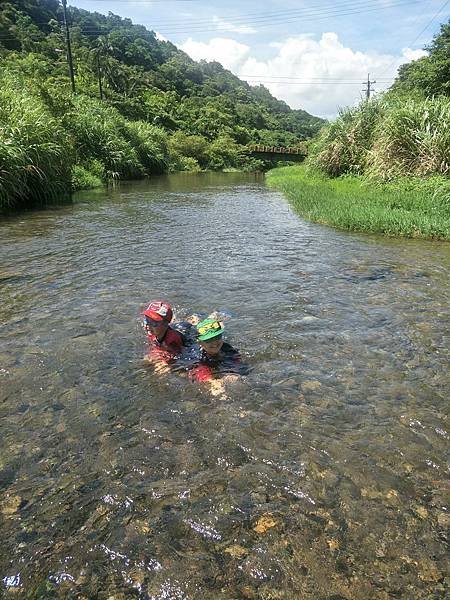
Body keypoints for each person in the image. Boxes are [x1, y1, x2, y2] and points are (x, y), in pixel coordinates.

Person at [188, 318, 244, 384]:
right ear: (200, 343)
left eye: (217, 337)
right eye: (209, 340)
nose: (214, 342)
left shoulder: (226, 347)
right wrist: (212, 381)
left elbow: (237, 362)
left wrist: (235, 372)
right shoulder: (197, 356)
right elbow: (198, 373)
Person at [142, 301, 184, 368]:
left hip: (185, 330)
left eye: (154, 323)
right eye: (147, 320)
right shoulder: (152, 331)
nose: (148, 325)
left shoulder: (172, 340)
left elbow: (178, 357)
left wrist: (164, 361)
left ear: (165, 324)